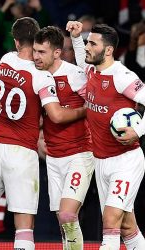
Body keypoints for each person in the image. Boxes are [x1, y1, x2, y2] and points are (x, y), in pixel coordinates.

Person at [0, 17, 86, 250]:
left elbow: (0, 96)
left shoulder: (5, 60)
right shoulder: (42, 75)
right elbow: (57, 115)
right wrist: (84, 111)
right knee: (24, 225)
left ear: (16, 42)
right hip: (22, 151)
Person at [67, 21, 145, 250]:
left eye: (92, 43)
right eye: (87, 42)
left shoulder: (122, 76)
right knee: (128, 227)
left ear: (108, 50)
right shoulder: (92, 69)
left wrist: (139, 129)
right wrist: (76, 37)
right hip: (101, 162)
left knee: (110, 221)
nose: (87, 46)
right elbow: (82, 58)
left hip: (126, 160)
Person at [33, 26, 94, 250]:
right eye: (35, 51)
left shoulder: (74, 75)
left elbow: (96, 103)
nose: (36, 57)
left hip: (80, 153)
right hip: (53, 157)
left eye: (42, 52)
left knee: (68, 215)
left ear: (57, 53)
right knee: (64, 220)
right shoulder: (36, 76)